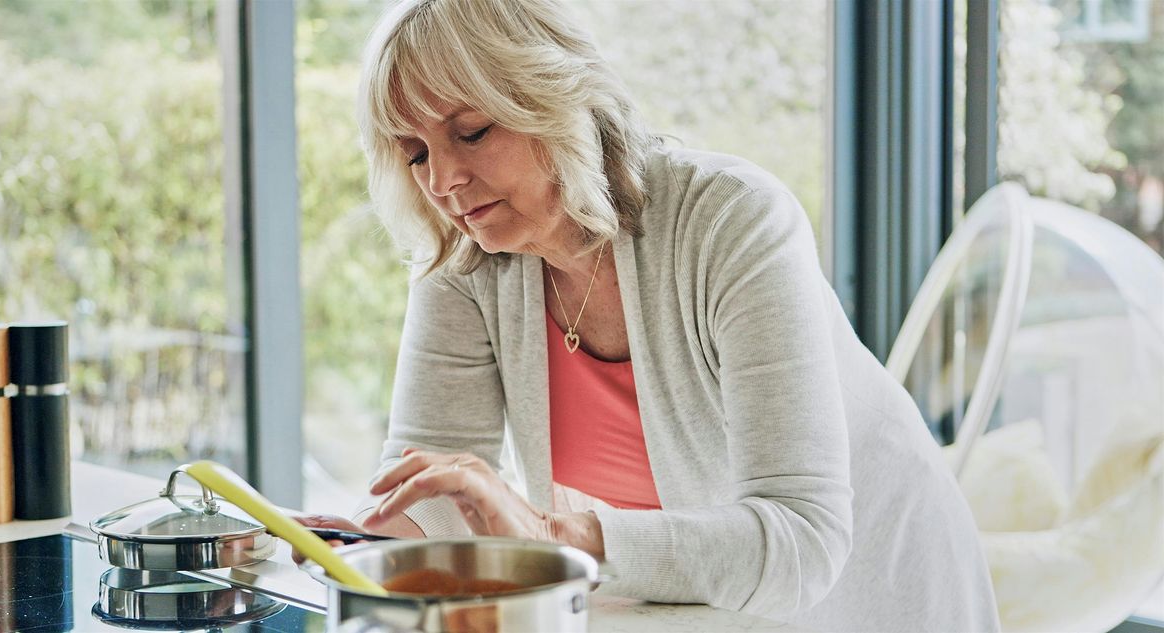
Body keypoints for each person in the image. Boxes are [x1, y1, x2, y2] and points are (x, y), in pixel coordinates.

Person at [299, 0, 1000, 630]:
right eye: (416, 153)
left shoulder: (733, 221)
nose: (442, 182)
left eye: (473, 132)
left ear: (555, 96)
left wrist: (558, 535)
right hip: (713, 608)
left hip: (876, 584)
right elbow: (431, 486)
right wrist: (353, 545)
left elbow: (800, 541)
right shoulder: (468, 256)